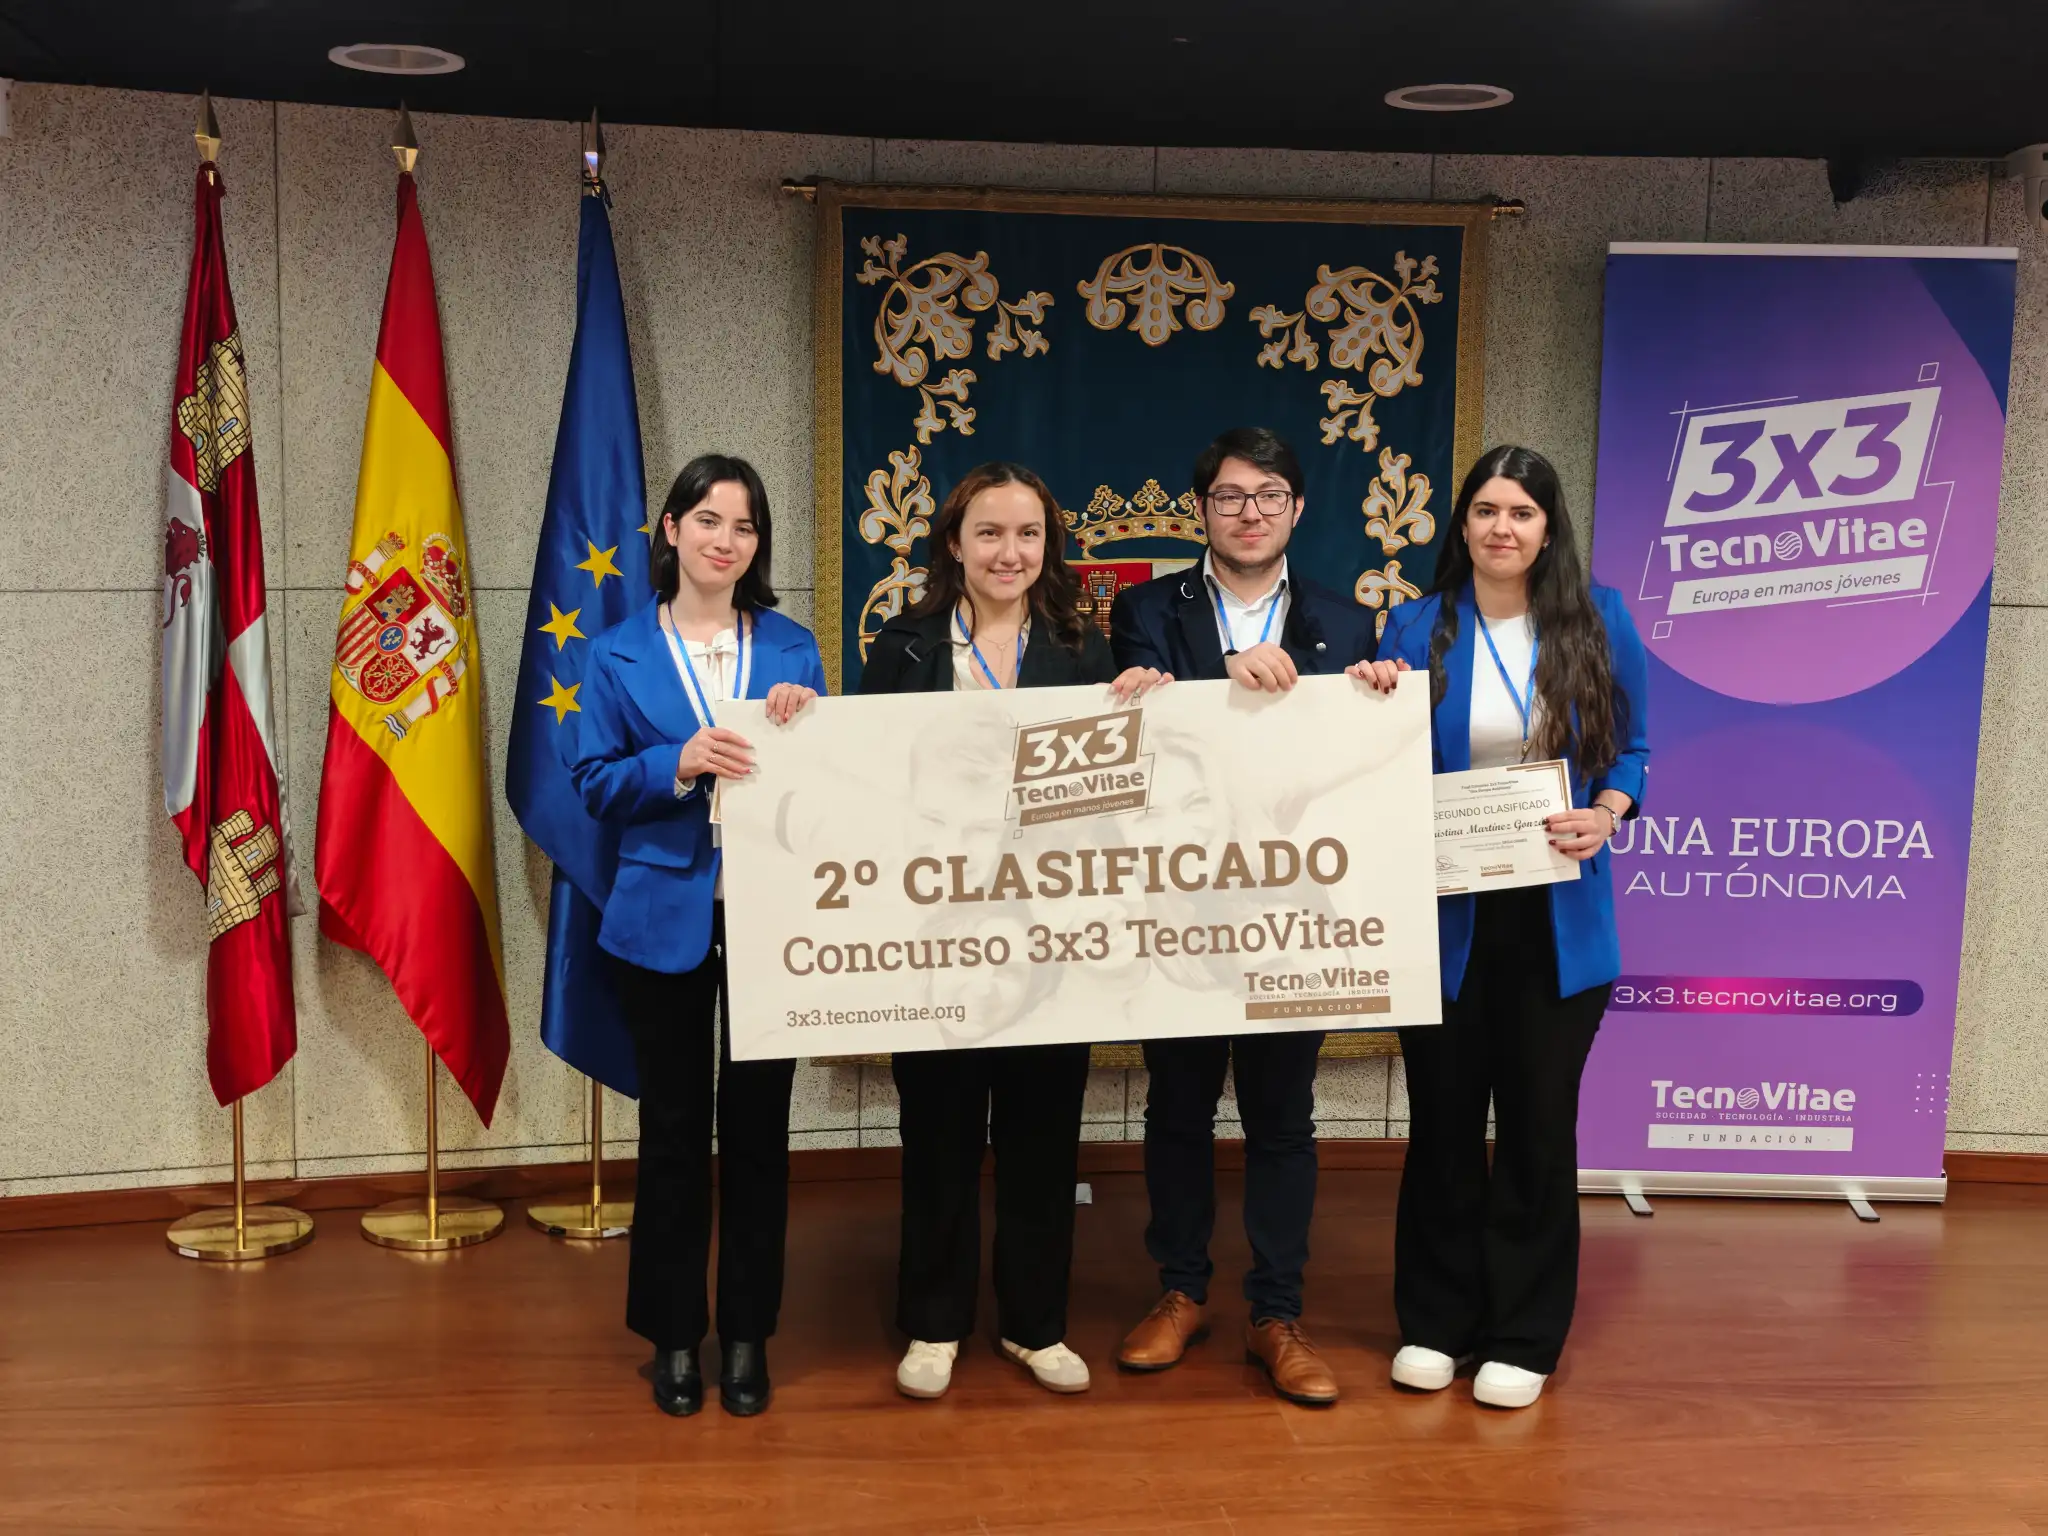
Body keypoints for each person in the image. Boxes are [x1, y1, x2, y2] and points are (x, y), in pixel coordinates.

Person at [862, 460, 1166, 1400]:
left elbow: (1124, 792)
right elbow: (862, 781)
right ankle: (935, 1323)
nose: (1009, 552)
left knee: (1042, 1133)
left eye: (1027, 534)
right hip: (937, 932)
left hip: (1050, 933)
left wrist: (1147, 705)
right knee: (939, 1132)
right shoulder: (903, 647)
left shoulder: (1084, 646)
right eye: (989, 532)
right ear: (954, 543)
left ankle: (1036, 1326)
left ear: (1049, 546)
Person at [1353, 444, 1649, 1409]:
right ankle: (1436, 1323)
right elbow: (1375, 753)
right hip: (1446, 915)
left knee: (1535, 1126)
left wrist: (1608, 811)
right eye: (1485, 510)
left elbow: (1635, 748)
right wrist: (1368, 698)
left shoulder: (1599, 618)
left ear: (1548, 527)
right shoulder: (1415, 623)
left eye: (1521, 512)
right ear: (1464, 524)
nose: (1501, 528)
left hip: (1558, 917)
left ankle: (1524, 1334)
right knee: (1442, 1124)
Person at [1107, 426, 1378, 1407]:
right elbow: (1140, 743)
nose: (1248, 512)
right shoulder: (1144, 609)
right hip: (1179, 904)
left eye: (1267, 495)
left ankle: (1276, 1312)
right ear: (1201, 511)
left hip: (1290, 908)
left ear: (1297, 508)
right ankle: (1180, 1290)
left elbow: (1355, 759)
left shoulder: (1349, 624)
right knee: (1176, 1107)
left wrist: (1377, 694)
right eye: (1228, 496)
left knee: (1281, 1115)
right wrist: (1190, 685)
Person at [570, 453, 825, 1420]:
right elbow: (592, 783)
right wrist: (674, 762)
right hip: (659, 918)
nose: (727, 540)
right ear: (671, 529)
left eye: (746, 526)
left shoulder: (794, 647)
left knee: (761, 1133)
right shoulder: (615, 653)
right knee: (673, 1132)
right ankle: (674, 1334)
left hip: (772, 917)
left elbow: (832, 780)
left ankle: (749, 1333)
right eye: (709, 520)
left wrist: (811, 727)